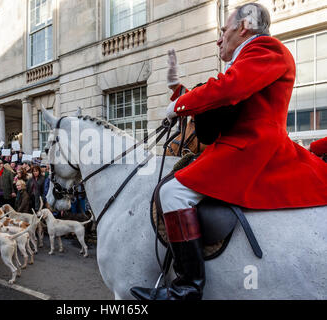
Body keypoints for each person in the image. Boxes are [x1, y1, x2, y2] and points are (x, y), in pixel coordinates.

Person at [131, 3, 327, 301]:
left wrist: (179, 106)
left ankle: (187, 288)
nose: (220, 38)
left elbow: (228, 89)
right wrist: (178, 90)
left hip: (250, 148)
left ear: (244, 26)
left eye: (224, 30)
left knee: (173, 194)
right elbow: (221, 105)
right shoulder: (249, 59)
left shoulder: (266, 49)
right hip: (237, 145)